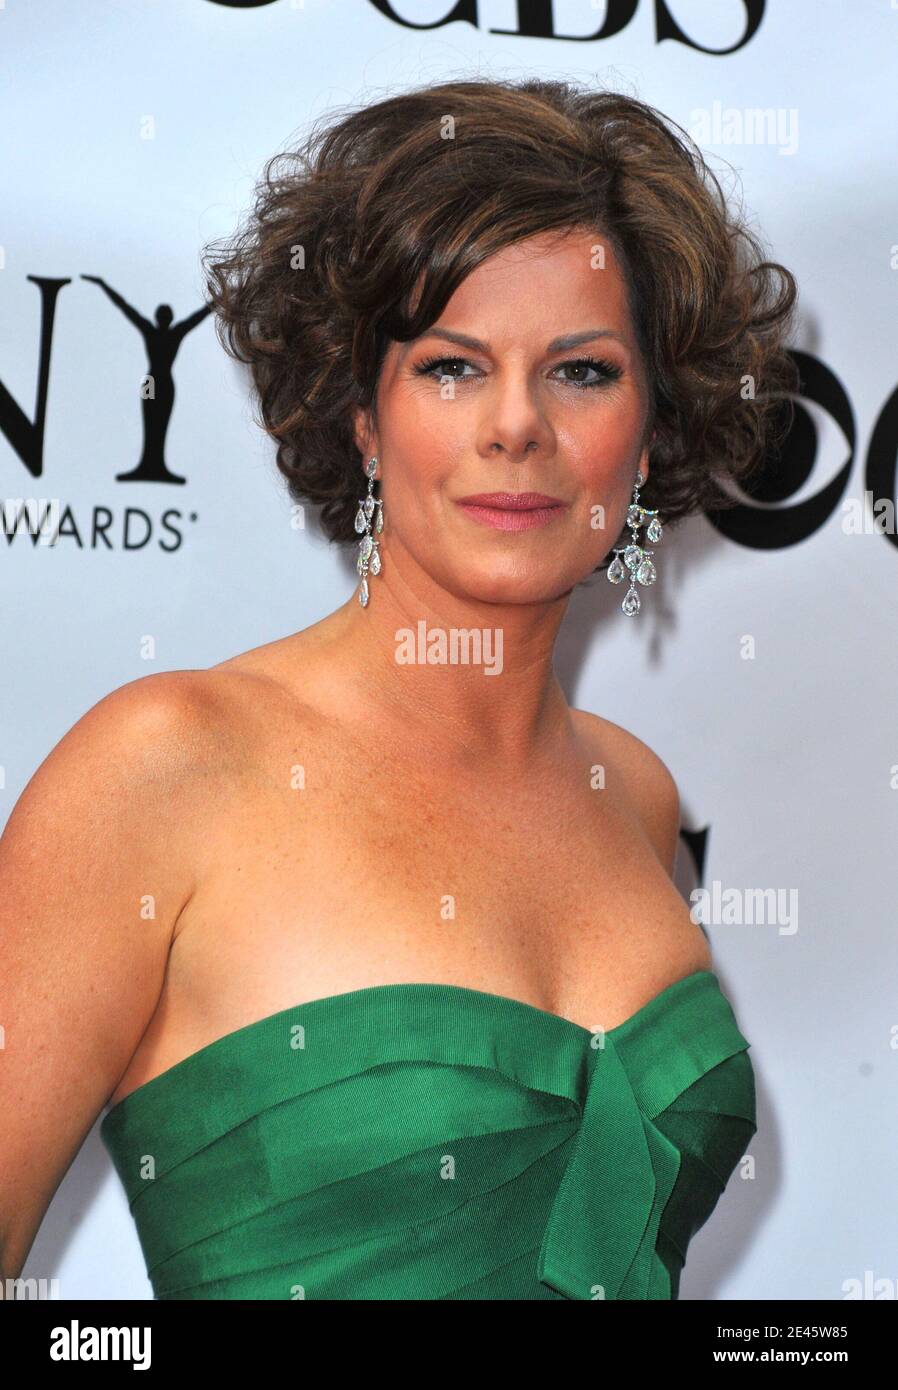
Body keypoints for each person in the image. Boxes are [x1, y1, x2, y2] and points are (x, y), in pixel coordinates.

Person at [0, 76, 798, 1299]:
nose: (516, 426)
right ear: (361, 416)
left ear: (650, 426)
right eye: (449, 367)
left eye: (581, 371)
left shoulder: (631, 793)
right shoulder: (167, 765)